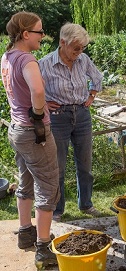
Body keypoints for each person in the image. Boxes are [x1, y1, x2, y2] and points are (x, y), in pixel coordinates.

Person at [1, 11, 60, 268]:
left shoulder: (7, 56)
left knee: (25, 180)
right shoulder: (28, 60)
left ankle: (26, 233)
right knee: (48, 185)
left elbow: (21, 92)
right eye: (39, 31)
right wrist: (38, 113)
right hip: (34, 133)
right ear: (26, 34)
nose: (43, 36)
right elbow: (36, 89)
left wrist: (39, 104)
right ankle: (44, 246)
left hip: (17, 129)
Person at [39, 23, 103, 222]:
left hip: (82, 115)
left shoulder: (83, 60)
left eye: (82, 48)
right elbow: (31, 89)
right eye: (76, 47)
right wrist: (42, 104)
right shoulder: (45, 63)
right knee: (57, 166)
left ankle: (86, 204)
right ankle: (57, 210)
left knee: (85, 164)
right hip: (58, 118)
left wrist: (91, 95)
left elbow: (97, 77)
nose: (79, 52)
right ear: (62, 42)